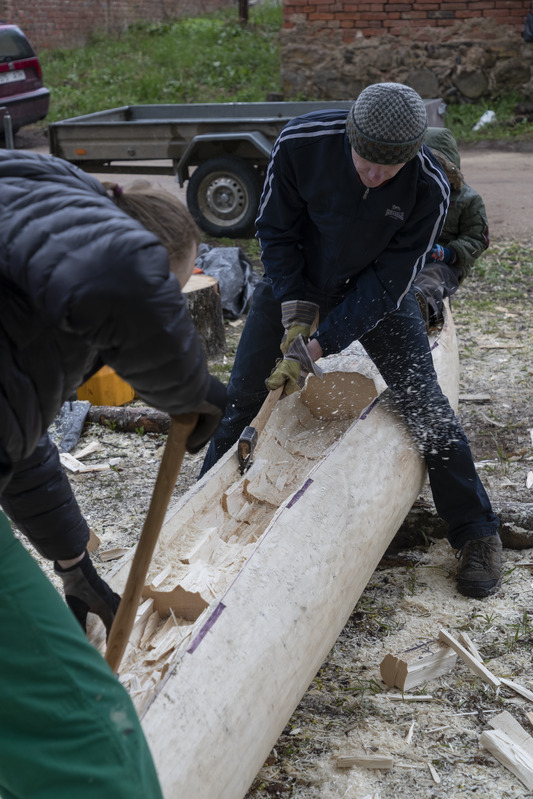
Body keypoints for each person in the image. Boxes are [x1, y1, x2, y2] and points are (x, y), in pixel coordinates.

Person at [200, 82, 502, 601]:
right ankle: (198, 515)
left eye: (389, 169)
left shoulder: (430, 186)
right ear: (350, 135)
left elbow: (390, 281)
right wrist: (296, 315)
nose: (374, 175)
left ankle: (476, 532)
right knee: (244, 398)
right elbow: (274, 230)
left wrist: (321, 344)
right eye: (366, 162)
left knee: (425, 406)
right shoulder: (301, 142)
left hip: (376, 288)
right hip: (297, 276)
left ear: (411, 155)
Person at [0, 149, 226, 798]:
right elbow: (117, 274)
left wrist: (74, 562)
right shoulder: (95, 244)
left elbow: (15, 436)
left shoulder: (26, 232)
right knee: (90, 736)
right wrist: (186, 389)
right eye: (170, 294)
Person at [414, 126, 490, 328]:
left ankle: (423, 310)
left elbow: (477, 240)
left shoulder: (468, 199)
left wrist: (447, 253)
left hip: (447, 263)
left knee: (430, 279)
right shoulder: (411, 192)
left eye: (437, 168)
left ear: (450, 170)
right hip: (411, 253)